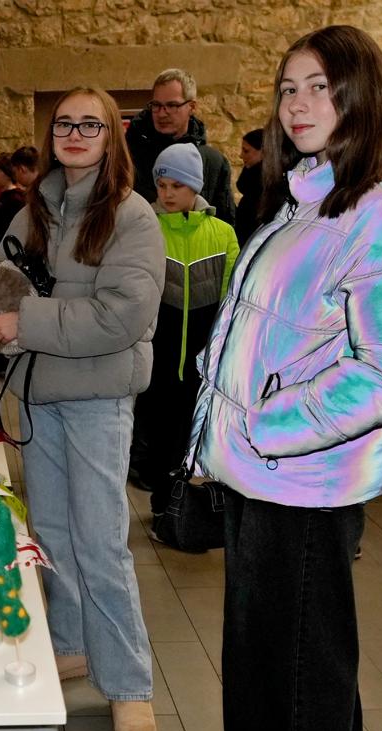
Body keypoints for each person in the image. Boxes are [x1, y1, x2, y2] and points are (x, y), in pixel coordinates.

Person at [188, 25, 382, 731]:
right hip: (259, 474)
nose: (296, 105)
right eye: (288, 89)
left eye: (319, 88)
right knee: (277, 679)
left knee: (293, 688)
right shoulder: (306, 198)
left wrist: (269, 426)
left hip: (301, 479)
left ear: (360, 95)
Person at [0, 86, 164, 731]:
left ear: (111, 136)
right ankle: (70, 644)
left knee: (100, 542)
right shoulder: (33, 210)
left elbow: (120, 317)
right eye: (64, 123)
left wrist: (21, 322)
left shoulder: (131, 217)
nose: (74, 133)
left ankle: (128, 685)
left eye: (89, 124)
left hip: (98, 396)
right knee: (52, 532)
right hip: (37, 395)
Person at [129, 144, 238, 488]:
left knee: (189, 429)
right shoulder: (144, 230)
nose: (168, 193)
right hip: (156, 347)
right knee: (154, 421)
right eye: (162, 185)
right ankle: (156, 488)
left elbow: (231, 296)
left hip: (201, 351)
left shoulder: (222, 233)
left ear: (195, 186)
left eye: (177, 185)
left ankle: (178, 498)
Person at [126, 68, 236, 224]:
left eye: (172, 105)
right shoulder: (127, 156)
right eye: (156, 105)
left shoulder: (214, 162)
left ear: (192, 107)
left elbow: (225, 222)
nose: (162, 113)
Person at [234, 128, 265, 245]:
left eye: (246, 151)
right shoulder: (251, 181)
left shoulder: (266, 187)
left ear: (263, 152)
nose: (241, 155)